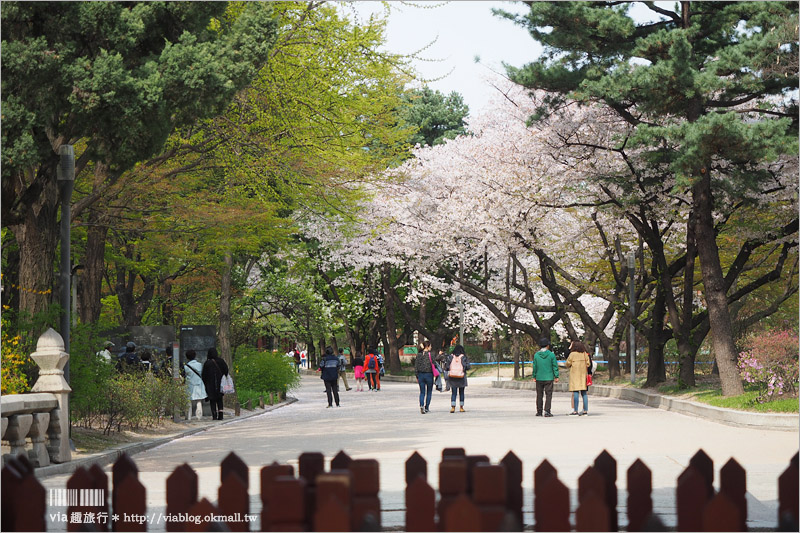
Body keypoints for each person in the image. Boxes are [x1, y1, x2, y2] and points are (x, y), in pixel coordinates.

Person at [532, 337, 559, 417]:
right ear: (547, 346)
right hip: (549, 377)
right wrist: (556, 376)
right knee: (548, 395)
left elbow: (535, 366)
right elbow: (555, 366)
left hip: (539, 377)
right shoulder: (551, 355)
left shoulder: (536, 355)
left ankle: (539, 411)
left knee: (539, 395)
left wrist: (534, 376)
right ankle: (547, 411)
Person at [202, 347, 229, 420]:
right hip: (220, 384)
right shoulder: (221, 361)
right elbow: (226, 370)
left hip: (210, 384)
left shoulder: (207, 363)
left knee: (212, 400)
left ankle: (214, 415)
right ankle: (221, 414)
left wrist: (205, 384)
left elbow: (204, 375)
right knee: (219, 399)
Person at [566, 340, 592, 416]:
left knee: (576, 392)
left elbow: (567, 363)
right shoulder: (584, 354)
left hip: (575, 376)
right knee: (584, 393)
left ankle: (575, 410)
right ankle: (585, 410)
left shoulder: (572, 354)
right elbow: (588, 364)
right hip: (583, 376)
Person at [444, 344, 471, 413]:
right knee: (461, 392)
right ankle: (461, 407)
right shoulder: (463, 357)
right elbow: (468, 366)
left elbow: (447, 367)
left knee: (454, 392)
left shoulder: (451, 357)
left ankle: (453, 407)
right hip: (461, 377)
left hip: (452, 377)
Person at [184, 349, 207, 420]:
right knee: (199, 401)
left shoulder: (186, 367)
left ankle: (188, 417)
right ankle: (199, 417)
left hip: (189, 384)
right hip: (198, 384)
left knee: (188, 401)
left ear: (187, 357)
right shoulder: (199, 365)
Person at [415, 341, 436, 414]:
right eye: (430, 346)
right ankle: (427, 407)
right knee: (429, 392)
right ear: (427, 346)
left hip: (420, 375)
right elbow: (434, 364)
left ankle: (421, 405)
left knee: (422, 392)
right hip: (429, 375)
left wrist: (417, 376)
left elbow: (416, 366)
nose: (431, 347)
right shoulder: (431, 355)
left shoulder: (419, 355)